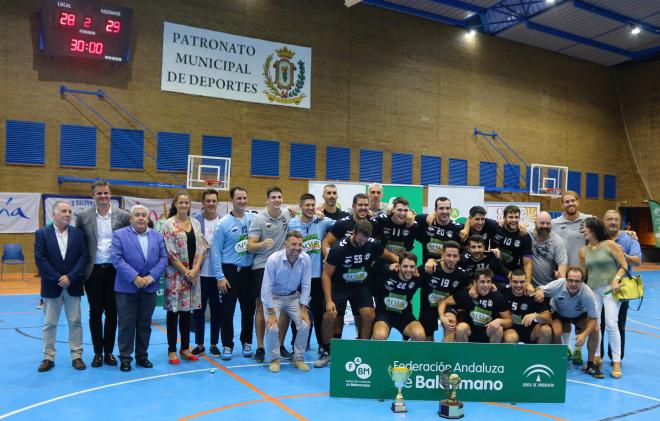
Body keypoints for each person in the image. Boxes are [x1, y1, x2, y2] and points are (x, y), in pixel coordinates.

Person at [316, 220, 398, 367]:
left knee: (369, 314)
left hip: (360, 286)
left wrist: (400, 263)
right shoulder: (338, 248)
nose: (362, 243)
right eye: (359, 240)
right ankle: (326, 351)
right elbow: (326, 275)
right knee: (330, 315)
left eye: (365, 240)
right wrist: (328, 301)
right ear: (354, 233)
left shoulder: (372, 244)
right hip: (339, 286)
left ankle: (362, 347)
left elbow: (389, 256)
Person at [75, 180, 129, 368]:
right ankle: (98, 353)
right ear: (93, 196)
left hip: (115, 272)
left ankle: (109, 353)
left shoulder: (123, 216)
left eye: (106, 193)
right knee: (95, 313)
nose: (103, 196)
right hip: (93, 272)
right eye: (99, 194)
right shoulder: (83, 217)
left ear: (110, 194)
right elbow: (80, 246)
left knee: (113, 313)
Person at [111, 205, 168, 372]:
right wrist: (135, 278)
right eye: (137, 215)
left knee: (144, 325)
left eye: (144, 215)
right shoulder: (119, 235)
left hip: (149, 287)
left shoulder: (157, 236)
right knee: (126, 325)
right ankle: (125, 358)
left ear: (148, 218)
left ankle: (142, 356)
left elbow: (164, 258)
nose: (141, 218)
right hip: (126, 288)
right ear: (131, 218)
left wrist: (151, 277)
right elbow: (116, 259)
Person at [35, 201, 89, 372]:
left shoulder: (78, 234)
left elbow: (83, 257)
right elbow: (40, 259)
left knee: (75, 322)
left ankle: (77, 355)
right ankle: (48, 357)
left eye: (70, 211)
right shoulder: (42, 234)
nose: (68, 214)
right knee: (50, 323)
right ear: (54, 214)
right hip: (52, 285)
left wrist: (71, 277)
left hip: (73, 285)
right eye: (64, 211)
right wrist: (58, 278)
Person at [161, 192, 208, 365]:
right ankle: (172, 350)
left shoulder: (195, 223)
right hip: (175, 276)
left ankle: (185, 348)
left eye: (186, 202)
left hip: (193, 277)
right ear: (175, 203)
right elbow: (170, 252)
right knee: (174, 314)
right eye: (180, 202)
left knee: (187, 313)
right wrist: (186, 272)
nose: (184, 205)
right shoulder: (168, 225)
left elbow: (202, 248)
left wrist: (195, 270)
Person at [248, 186, 293, 363]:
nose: (276, 200)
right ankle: (260, 347)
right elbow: (249, 245)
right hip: (261, 266)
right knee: (261, 306)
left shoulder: (287, 215)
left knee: (283, 307)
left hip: (282, 266)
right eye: (273, 197)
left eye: (279, 197)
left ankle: (280, 345)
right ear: (267, 200)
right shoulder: (259, 218)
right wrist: (261, 245)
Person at [579, 217, 628, 378]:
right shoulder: (583, 251)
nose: (583, 231)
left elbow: (623, 265)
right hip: (593, 291)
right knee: (595, 326)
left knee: (612, 324)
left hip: (610, 290)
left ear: (593, 229)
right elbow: (582, 274)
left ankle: (616, 361)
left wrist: (616, 280)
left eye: (585, 228)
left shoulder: (610, 245)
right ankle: (597, 357)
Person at [533, 267, 602, 378]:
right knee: (556, 331)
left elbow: (593, 318)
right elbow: (539, 289)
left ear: (582, 281)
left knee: (595, 330)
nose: (573, 284)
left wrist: (584, 335)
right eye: (570, 280)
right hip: (558, 312)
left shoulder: (588, 294)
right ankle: (558, 362)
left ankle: (590, 364)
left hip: (578, 315)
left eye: (577, 281)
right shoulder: (558, 284)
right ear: (566, 280)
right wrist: (539, 292)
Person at [288, 193, 335, 353]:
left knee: (318, 313)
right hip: (298, 278)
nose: (310, 208)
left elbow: (343, 224)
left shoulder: (322, 222)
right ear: (300, 206)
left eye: (312, 205)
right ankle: (298, 344)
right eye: (307, 205)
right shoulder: (292, 224)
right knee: (298, 313)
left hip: (317, 277)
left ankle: (323, 346)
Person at [213, 187, 256, 360]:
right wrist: (220, 277)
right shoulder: (223, 223)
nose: (242, 201)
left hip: (248, 272)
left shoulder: (253, 219)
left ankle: (247, 342)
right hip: (229, 272)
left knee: (248, 310)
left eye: (244, 197)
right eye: (239, 198)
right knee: (227, 311)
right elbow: (215, 252)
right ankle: (227, 345)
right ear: (232, 199)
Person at [261, 231, 312, 373]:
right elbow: (266, 287)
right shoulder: (273, 260)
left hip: (293, 297)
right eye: (293, 244)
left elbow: (306, 285)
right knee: (272, 327)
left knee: (305, 325)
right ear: (285, 244)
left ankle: (298, 358)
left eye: (300, 244)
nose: (297, 247)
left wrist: (303, 309)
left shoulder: (305, 259)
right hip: (274, 297)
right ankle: (274, 359)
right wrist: (271, 313)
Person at [552, 191, 591, 364]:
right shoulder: (555, 224)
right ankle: (566, 348)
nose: (570, 204)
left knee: (581, 317)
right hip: (563, 279)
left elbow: (607, 231)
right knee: (564, 315)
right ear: (562, 204)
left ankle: (577, 351)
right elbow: (533, 228)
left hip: (583, 278)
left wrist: (629, 233)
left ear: (578, 202)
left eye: (572, 200)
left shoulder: (588, 220)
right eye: (566, 201)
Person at [600, 209, 642, 363]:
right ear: (603, 221)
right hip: (600, 287)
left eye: (616, 219)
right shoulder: (598, 237)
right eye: (609, 219)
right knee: (599, 323)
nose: (612, 222)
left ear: (620, 222)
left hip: (621, 289)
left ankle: (616, 357)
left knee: (618, 324)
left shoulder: (630, 240)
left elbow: (637, 260)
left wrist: (623, 256)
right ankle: (598, 356)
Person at [439, 268, 511, 343]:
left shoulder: (497, 296)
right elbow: (443, 302)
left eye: (488, 281)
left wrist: (499, 321)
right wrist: (442, 317)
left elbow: (509, 321)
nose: (486, 285)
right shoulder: (467, 293)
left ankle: (491, 354)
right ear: (475, 283)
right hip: (469, 331)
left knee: (498, 329)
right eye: (482, 282)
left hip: (488, 332)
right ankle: (462, 354)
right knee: (461, 327)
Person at [191, 189, 223, 357]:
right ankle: (200, 343)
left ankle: (214, 343)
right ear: (202, 203)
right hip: (200, 275)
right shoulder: (195, 221)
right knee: (199, 311)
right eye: (208, 201)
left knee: (217, 311)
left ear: (218, 203)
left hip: (218, 276)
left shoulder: (224, 222)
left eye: (214, 201)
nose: (211, 203)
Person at [421, 241, 470, 342]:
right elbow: (411, 274)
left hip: (448, 307)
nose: (451, 259)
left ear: (458, 258)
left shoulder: (462, 274)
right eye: (448, 255)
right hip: (428, 307)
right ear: (442, 256)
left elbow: (471, 287)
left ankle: (447, 354)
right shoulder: (430, 268)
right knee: (426, 339)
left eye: (455, 256)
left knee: (450, 323)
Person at [372, 252, 426, 342]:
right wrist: (389, 267)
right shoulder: (387, 272)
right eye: (405, 266)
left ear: (416, 267)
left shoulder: (417, 277)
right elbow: (372, 263)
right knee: (379, 337)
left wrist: (432, 260)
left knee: (420, 336)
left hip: (405, 316)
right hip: (384, 315)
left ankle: (408, 355)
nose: (409, 270)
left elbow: (435, 265)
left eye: (412, 266)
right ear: (399, 266)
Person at [502, 269, 552, 344]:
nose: (518, 285)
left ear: (526, 282)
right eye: (515, 282)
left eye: (522, 282)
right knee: (511, 338)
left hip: (531, 331)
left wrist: (536, 315)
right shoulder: (503, 292)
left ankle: (540, 355)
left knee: (546, 330)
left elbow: (549, 319)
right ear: (510, 281)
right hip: (511, 329)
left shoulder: (533, 295)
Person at [416, 196, 463, 264]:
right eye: (441, 208)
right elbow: (409, 217)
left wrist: (466, 228)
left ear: (451, 210)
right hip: (427, 268)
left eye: (447, 208)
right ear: (435, 210)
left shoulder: (458, 228)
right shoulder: (425, 221)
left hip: (449, 269)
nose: (445, 211)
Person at [492, 205, 533, 284]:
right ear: (504, 218)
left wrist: (527, 284)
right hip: (495, 276)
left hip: (514, 278)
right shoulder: (496, 229)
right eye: (510, 217)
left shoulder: (524, 235)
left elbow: (527, 263)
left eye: (516, 217)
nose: (514, 220)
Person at [530, 212, 568, 287]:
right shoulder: (527, 233)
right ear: (535, 223)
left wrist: (560, 276)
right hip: (528, 287)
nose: (545, 226)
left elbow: (562, 264)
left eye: (548, 223)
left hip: (548, 288)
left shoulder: (557, 241)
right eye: (542, 223)